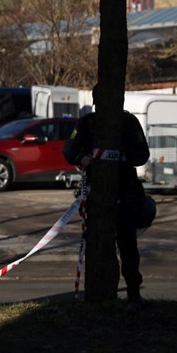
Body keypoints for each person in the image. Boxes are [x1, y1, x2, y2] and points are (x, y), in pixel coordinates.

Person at [63, 85, 150, 303]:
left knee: (128, 246)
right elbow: (69, 148)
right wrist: (81, 158)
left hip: (126, 193)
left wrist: (119, 156)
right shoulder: (87, 123)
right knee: (99, 245)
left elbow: (142, 154)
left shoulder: (128, 122)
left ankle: (133, 291)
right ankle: (102, 293)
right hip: (96, 195)